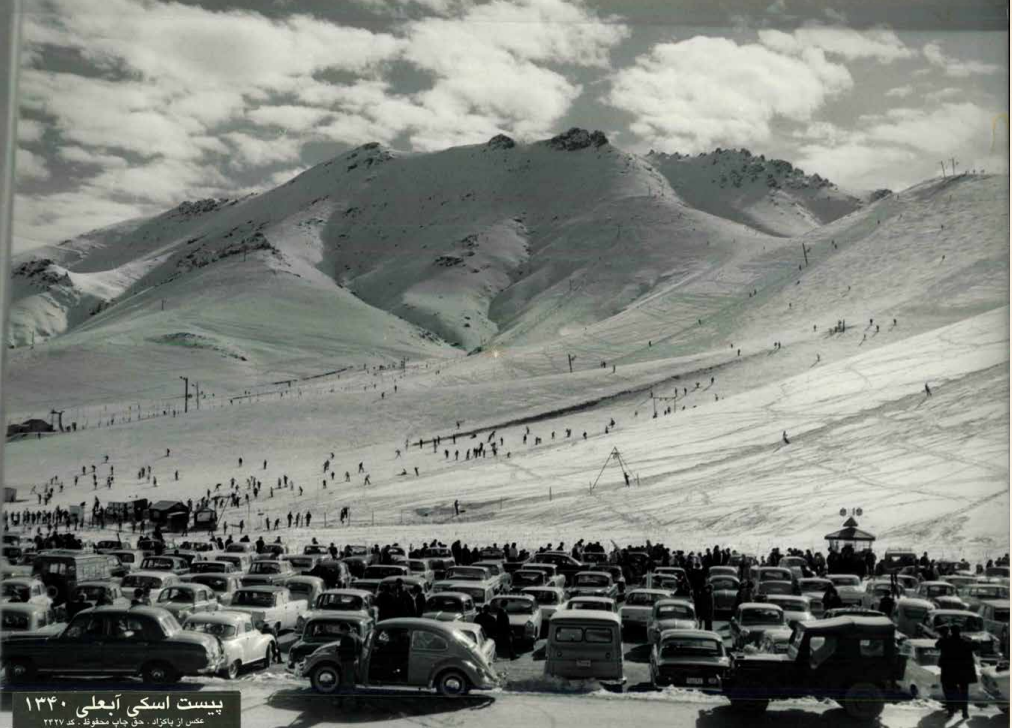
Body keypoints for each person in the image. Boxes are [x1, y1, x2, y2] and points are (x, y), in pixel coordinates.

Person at [336, 622, 362, 693]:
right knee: (353, 678)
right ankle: (355, 695)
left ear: (344, 630)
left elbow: (347, 650)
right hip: (355, 660)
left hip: (347, 661)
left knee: (347, 679)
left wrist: (338, 649)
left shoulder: (346, 638)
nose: (341, 633)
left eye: (341, 631)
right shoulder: (356, 636)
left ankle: (350, 696)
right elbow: (359, 647)